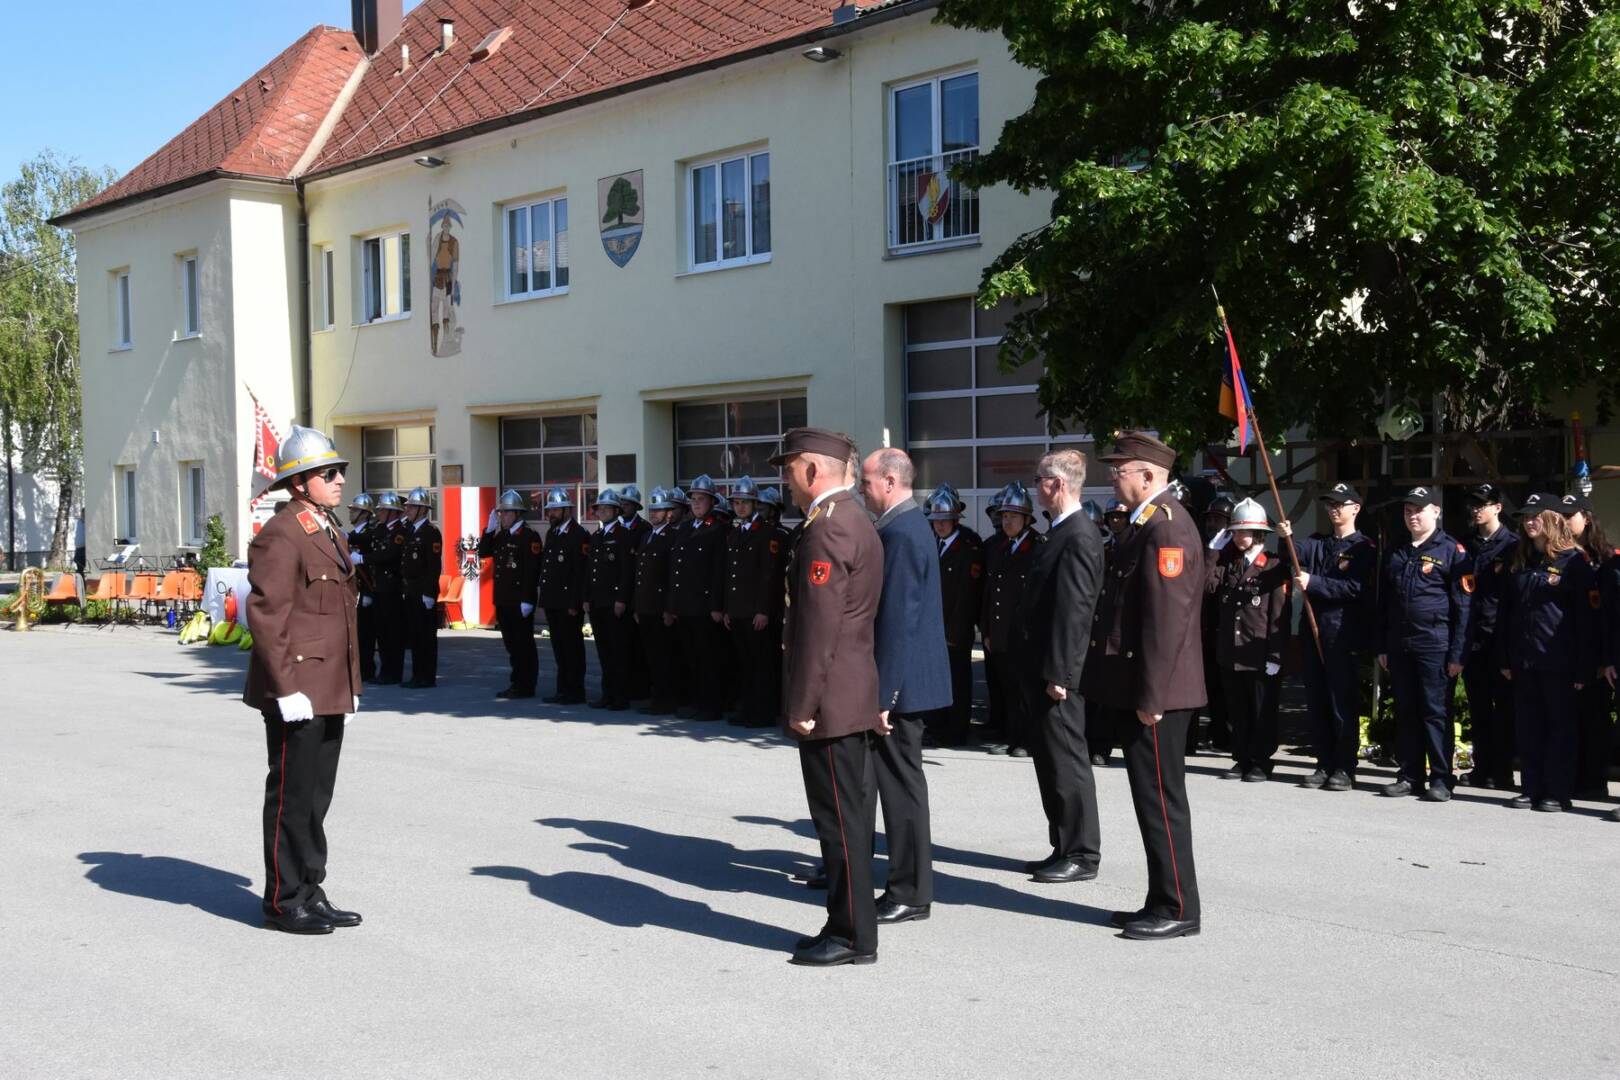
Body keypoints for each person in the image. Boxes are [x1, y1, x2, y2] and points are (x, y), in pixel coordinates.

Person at [1082, 431, 1203, 940]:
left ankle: (1177, 908)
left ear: (1149, 475)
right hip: (1143, 686)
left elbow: (1166, 622)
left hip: (1160, 691)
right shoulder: (1146, 524)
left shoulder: (1167, 529)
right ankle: (1161, 897)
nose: (1112, 476)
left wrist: (1151, 696)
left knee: (1159, 797)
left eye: (1120, 469)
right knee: (1148, 797)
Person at [242, 425, 363, 934]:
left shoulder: (326, 527)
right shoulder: (283, 533)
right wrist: (286, 688)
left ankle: (310, 888)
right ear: (298, 484)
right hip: (298, 689)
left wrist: (351, 679)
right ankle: (282, 900)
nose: (339, 480)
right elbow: (268, 617)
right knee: (292, 795)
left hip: (329, 684)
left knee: (317, 796)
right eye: (327, 474)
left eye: (340, 472)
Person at [773, 428, 884, 967]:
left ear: (814, 469)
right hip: (847, 693)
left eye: (789, 466)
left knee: (838, 822)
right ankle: (847, 923)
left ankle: (852, 935)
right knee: (847, 821)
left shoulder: (830, 527)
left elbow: (819, 629)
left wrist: (802, 704)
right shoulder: (849, 519)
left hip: (831, 702)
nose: (784, 477)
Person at [859, 448, 951, 926]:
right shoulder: (904, 526)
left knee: (902, 790)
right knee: (891, 785)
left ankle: (911, 892)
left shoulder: (901, 531)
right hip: (903, 682)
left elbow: (897, 621)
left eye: (868, 482)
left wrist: (884, 696)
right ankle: (893, 880)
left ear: (891, 481)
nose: (862, 489)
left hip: (902, 686)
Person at [1016, 450, 1106, 885]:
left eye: (1038, 480)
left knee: (1068, 761)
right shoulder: (1060, 531)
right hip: (1042, 669)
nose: (1035, 488)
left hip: (1059, 675)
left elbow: (1076, 612)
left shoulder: (1079, 534)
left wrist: (1061, 675)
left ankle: (1083, 853)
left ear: (1056, 484)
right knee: (1050, 761)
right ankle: (1062, 843)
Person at [1274, 482, 1377, 791]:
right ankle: (1323, 763)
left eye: (1340, 504)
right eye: (1330, 504)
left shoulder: (1364, 548)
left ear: (1355, 508)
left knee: (1341, 704)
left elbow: (1355, 589)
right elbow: (1290, 554)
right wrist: (1285, 535)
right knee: (1316, 702)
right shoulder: (1319, 543)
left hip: (1341, 636)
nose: (1334, 509)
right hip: (1311, 633)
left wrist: (1314, 582)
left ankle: (1345, 767)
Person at [1497, 506, 1601, 812]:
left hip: (1559, 661)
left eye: (1536, 517)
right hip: (1525, 659)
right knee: (1529, 727)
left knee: (1560, 728)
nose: (1529, 523)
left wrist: (1584, 666)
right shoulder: (1520, 560)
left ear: (1553, 521)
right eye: (1526, 518)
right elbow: (1507, 614)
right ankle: (1531, 788)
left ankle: (1557, 791)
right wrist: (1505, 657)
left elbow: (1585, 620)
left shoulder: (1574, 562)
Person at [1376, 486, 1472, 802]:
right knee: (1406, 712)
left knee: (1435, 713)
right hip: (1401, 644)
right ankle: (1409, 776)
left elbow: (1463, 606)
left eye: (1419, 509)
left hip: (1435, 645)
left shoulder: (1452, 551)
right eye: (1408, 510)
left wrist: (1457, 653)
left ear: (1435, 512)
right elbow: (1385, 603)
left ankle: (1442, 779)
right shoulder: (1396, 550)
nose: (1413, 515)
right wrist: (1383, 646)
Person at [1206, 498, 1289, 782]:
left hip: (1259, 651)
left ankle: (1261, 761)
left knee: (1260, 711)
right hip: (1232, 651)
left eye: (1244, 532)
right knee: (1237, 710)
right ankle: (1241, 758)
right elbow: (1207, 585)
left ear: (1258, 534)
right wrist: (1213, 553)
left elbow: (1279, 613)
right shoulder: (1229, 562)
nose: (1238, 537)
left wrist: (1275, 655)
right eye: (1235, 531)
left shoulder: (1273, 565)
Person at [1560, 494, 1619, 798]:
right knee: (1571, 719)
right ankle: (1574, 778)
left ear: (1587, 517)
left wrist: (1605, 656)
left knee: (1596, 720)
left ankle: (1595, 782)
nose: (1565, 521)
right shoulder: (1558, 554)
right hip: (1568, 648)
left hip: (1599, 652)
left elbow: (1609, 614)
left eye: (1570, 515)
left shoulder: (1606, 558)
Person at [1460, 483, 1518, 789]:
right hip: (1474, 638)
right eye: (1473, 504)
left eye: (1482, 504)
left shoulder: (1512, 545)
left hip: (1501, 638)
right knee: (1479, 708)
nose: (1476, 510)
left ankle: (1503, 771)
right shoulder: (1466, 545)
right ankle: (1482, 768)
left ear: (1497, 507)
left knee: (1504, 710)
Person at [981, 482, 1042, 759]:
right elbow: (990, 591)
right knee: (1008, 688)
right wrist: (987, 630)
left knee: (1024, 691)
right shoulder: (999, 547)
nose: (1007, 521)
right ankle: (1012, 733)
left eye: (1013, 516)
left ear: (1027, 519)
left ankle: (1027, 739)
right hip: (1002, 633)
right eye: (1004, 516)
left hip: (1024, 635)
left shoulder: (1037, 548)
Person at [722, 477, 785, 728]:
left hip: (755, 611)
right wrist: (728, 608)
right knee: (745, 663)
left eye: (745, 503)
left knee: (761, 664)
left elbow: (768, 576)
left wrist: (763, 610)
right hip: (738, 609)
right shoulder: (736, 533)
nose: (740, 507)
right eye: (736, 503)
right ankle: (749, 708)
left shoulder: (767, 533)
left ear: (754, 504)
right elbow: (730, 573)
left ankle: (763, 712)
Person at [924, 484, 984, 746]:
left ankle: (956, 730)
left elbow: (967, 594)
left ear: (954, 519)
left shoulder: (969, 544)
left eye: (945, 520)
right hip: (931, 628)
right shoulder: (929, 541)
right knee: (933, 681)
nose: (940, 525)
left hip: (954, 629)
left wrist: (955, 631)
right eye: (936, 520)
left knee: (957, 683)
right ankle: (935, 726)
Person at [667, 475, 728, 721]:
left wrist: (716, 604)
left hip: (704, 606)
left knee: (708, 659)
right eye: (693, 499)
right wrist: (672, 604)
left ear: (712, 501)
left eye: (701, 499)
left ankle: (711, 705)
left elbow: (719, 570)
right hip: (685, 604)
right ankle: (696, 701)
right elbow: (676, 568)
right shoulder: (685, 527)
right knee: (691, 656)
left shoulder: (718, 529)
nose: (696, 503)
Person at [478, 489, 542, 699]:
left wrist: (527, 599)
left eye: (505, 513)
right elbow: (483, 552)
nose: (501, 517)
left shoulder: (528, 536)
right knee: (511, 644)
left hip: (519, 600)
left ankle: (526, 685)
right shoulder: (502, 536)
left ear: (516, 514)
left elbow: (531, 572)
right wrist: (488, 530)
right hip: (503, 598)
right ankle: (517, 682)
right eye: (500, 513)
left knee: (523, 644)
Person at [633, 488, 683, 716]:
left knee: (664, 657)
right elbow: (640, 574)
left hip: (660, 606)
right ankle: (657, 697)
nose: (654, 514)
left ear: (669, 513)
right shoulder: (647, 536)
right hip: (645, 606)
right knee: (651, 655)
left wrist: (670, 607)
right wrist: (637, 604)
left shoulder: (672, 537)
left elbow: (674, 575)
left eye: (659, 510)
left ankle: (666, 700)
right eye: (652, 510)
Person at [538, 486, 589, 705]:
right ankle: (563, 689)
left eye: (556, 510)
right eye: (550, 510)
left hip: (568, 602)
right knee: (559, 647)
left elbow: (580, 573)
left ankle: (575, 690)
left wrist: (575, 602)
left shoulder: (579, 535)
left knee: (572, 648)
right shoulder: (552, 532)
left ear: (567, 510)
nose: (551, 514)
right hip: (553, 600)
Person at [585, 489, 635, 710]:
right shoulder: (597, 536)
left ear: (616, 510)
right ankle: (607, 694)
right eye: (599, 508)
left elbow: (627, 570)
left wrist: (622, 599)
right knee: (604, 651)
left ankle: (620, 696)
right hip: (598, 601)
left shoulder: (623, 535)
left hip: (614, 602)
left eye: (606, 508)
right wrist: (587, 597)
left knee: (619, 651)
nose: (602, 512)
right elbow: (591, 570)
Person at [1198, 494, 1237, 754]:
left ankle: (1231, 735)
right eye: (1211, 518)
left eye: (1219, 519)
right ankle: (1218, 731)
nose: (1213, 523)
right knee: (1212, 684)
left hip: (1231, 629)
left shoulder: (1232, 550)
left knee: (1229, 688)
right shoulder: (1206, 546)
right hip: (1206, 628)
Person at [400, 486, 442, 689]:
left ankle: (427, 676)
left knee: (426, 636)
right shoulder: (409, 530)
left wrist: (429, 592)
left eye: (412, 507)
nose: (407, 510)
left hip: (423, 591)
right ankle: (417, 675)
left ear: (423, 510)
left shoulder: (430, 532)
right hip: (411, 590)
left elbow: (433, 566)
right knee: (415, 636)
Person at [617, 485, 653, 703]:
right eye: (621, 503)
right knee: (623, 645)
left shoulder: (644, 528)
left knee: (640, 646)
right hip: (621, 594)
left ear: (636, 506)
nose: (623, 507)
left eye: (627, 504)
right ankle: (626, 686)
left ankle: (641, 688)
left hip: (638, 595)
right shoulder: (616, 527)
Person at [368, 491, 407, 684]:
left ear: (393, 512)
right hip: (379, 588)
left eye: (383, 510)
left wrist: (364, 558)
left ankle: (394, 672)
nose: (380, 513)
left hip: (392, 588)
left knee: (393, 633)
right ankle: (385, 670)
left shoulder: (400, 531)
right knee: (382, 633)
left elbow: (388, 554)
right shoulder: (380, 529)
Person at [346, 492, 379, 682]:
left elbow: (371, 567)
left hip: (367, 590)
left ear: (365, 514)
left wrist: (367, 593)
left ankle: (367, 670)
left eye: (356, 511)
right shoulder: (353, 535)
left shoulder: (370, 534)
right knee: (355, 633)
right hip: (353, 591)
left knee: (367, 634)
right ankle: (357, 669)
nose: (352, 514)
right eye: (352, 510)